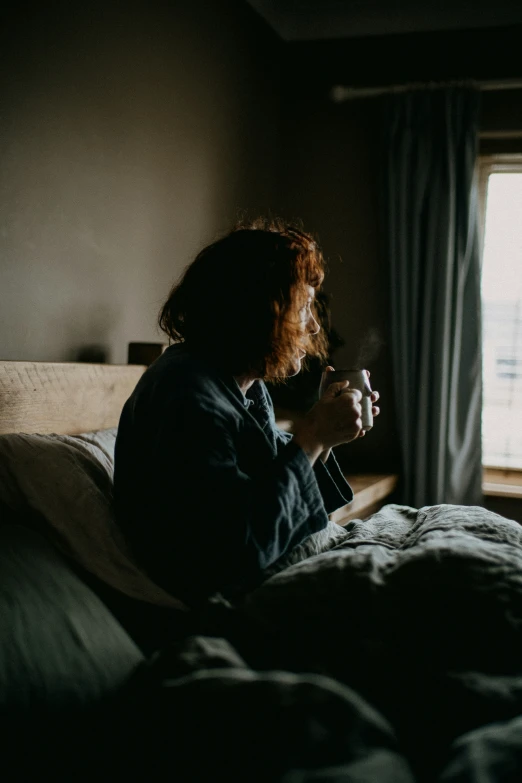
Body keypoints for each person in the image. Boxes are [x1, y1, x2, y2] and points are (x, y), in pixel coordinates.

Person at [114, 218, 380, 608]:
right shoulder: (185, 394)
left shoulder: (242, 384)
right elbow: (232, 550)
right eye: (302, 307)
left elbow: (272, 482)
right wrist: (313, 436)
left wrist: (327, 432)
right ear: (258, 310)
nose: (313, 324)